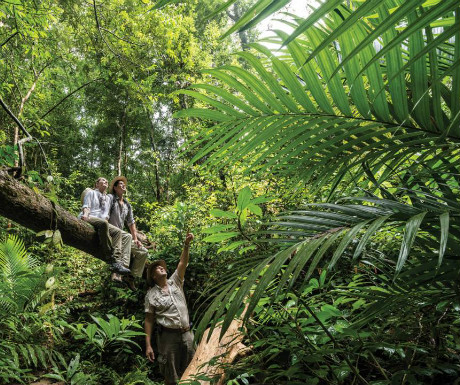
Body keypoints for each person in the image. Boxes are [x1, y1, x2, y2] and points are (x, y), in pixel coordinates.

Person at [144, 233, 195, 385]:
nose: (161, 268)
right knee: (171, 376)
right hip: (168, 338)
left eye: (162, 267)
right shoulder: (151, 295)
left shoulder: (176, 282)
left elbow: (182, 263)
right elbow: (148, 321)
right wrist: (148, 345)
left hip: (187, 334)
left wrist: (186, 245)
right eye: (157, 268)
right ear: (153, 276)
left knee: (194, 370)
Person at [79, 177, 130, 276]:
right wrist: (85, 215)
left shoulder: (107, 198)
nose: (105, 181)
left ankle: (117, 262)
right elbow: (86, 206)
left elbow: (106, 215)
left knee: (117, 232)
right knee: (103, 224)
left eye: (106, 181)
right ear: (97, 184)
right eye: (102, 180)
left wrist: (108, 229)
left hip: (101, 221)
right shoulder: (91, 193)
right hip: (90, 217)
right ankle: (109, 257)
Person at [107, 176, 148, 289]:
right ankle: (119, 272)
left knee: (143, 252)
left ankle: (130, 277)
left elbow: (131, 223)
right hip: (111, 233)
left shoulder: (127, 205)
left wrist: (136, 239)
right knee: (127, 236)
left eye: (124, 184)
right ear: (115, 188)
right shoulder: (110, 198)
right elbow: (104, 215)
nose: (123, 185)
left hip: (123, 235)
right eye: (120, 184)